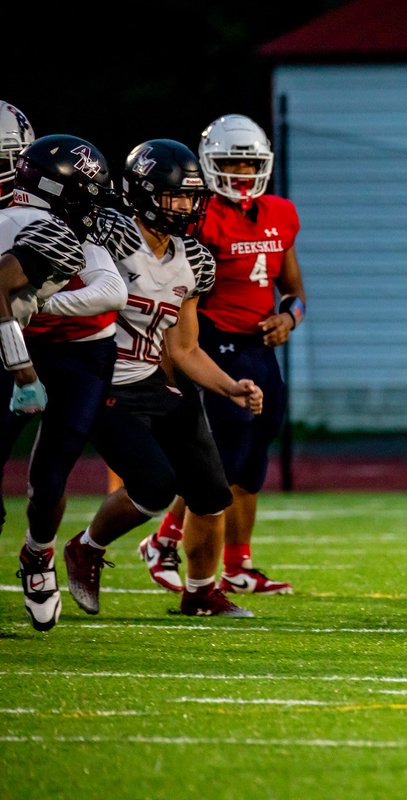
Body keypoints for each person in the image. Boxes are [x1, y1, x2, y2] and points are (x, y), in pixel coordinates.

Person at [63, 138, 264, 619]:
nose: (186, 207)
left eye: (192, 198)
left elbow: (185, 348)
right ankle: (86, 547)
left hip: (154, 378)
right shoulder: (106, 236)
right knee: (153, 487)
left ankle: (198, 593)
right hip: (102, 380)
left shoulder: (193, 259)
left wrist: (229, 386)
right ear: (142, 192)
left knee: (211, 494)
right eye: (175, 196)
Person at [141, 114, 304, 597]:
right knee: (221, 458)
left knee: (252, 463)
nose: (239, 171)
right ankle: (165, 540)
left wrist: (288, 319)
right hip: (213, 341)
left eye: (247, 162)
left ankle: (237, 566)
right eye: (230, 161)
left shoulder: (281, 212)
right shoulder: (200, 215)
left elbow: (293, 291)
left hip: (259, 348)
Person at [1, 132, 121, 632]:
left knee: (49, 481)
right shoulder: (44, 229)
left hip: (65, 353)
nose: (94, 206)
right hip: (18, 356)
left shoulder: (48, 223)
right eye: (85, 194)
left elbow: (112, 289)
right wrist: (22, 367)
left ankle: (38, 554)